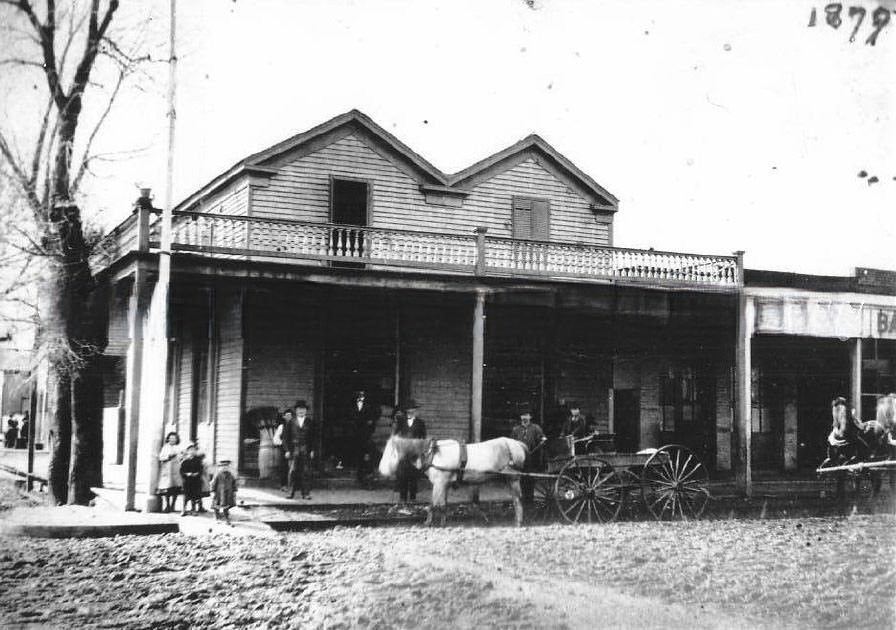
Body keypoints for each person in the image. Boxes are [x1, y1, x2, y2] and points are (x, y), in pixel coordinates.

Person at [510, 403, 546, 505]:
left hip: (531, 458)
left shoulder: (535, 428)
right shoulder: (516, 429)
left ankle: (530, 501)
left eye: (527, 415)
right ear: (520, 417)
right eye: (523, 416)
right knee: (520, 480)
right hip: (519, 459)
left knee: (529, 480)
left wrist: (543, 439)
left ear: (530, 417)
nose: (525, 418)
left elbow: (542, 438)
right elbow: (511, 442)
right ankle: (522, 500)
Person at [393, 399, 426, 503]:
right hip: (403, 452)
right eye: (410, 410)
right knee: (402, 474)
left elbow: (423, 437)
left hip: (415, 452)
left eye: (414, 409)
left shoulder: (420, 423)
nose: (412, 411)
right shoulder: (401, 422)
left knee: (413, 474)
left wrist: (420, 449)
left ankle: (412, 497)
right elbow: (396, 435)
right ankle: (402, 497)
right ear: (407, 411)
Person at [282, 400, 315, 500]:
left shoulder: (309, 422)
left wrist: (312, 450)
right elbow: (285, 438)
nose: (301, 411)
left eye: (303, 409)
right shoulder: (291, 422)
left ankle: (306, 493)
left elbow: (313, 438)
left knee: (306, 471)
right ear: (296, 411)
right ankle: (290, 492)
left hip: (305, 449)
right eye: (299, 409)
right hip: (294, 449)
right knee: (292, 471)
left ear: (306, 411)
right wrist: (287, 450)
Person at [350, 390, 380, 486]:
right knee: (358, 455)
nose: (361, 397)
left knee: (367, 456)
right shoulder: (352, 405)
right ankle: (359, 476)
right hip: (355, 434)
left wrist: (371, 423)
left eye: (362, 396)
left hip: (367, 434)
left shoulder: (370, 405)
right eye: (359, 395)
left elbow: (376, 414)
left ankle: (367, 478)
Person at [156, 432, 183, 513]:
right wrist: (168, 456)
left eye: (174, 438)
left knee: (176, 488)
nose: (172, 440)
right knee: (166, 488)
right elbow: (161, 457)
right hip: (167, 469)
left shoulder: (178, 448)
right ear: (168, 439)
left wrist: (180, 457)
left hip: (176, 470)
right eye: (171, 438)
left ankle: (173, 505)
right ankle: (167, 505)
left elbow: (181, 457)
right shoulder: (165, 448)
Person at [179, 443, 204, 516]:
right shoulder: (185, 461)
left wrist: (197, 473)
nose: (192, 451)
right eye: (190, 450)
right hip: (187, 481)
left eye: (194, 450)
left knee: (194, 496)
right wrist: (187, 474)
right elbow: (181, 471)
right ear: (187, 451)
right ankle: (184, 509)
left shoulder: (198, 461)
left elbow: (201, 469)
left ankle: (193, 509)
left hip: (195, 481)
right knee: (186, 496)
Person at [211, 459, 237, 526]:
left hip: (228, 493)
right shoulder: (218, 474)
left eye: (226, 467)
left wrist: (234, 491)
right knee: (217, 505)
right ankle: (216, 517)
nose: (225, 468)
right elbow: (213, 483)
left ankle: (227, 518)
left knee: (226, 506)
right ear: (220, 467)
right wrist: (213, 491)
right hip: (219, 492)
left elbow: (234, 483)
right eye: (223, 466)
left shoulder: (231, 475)